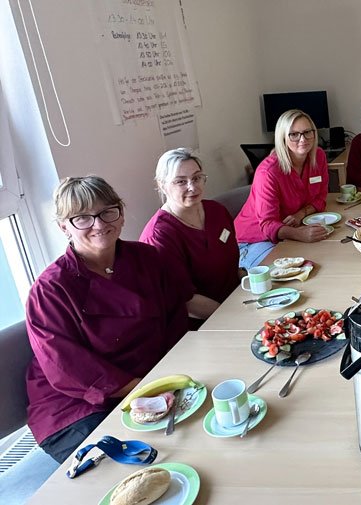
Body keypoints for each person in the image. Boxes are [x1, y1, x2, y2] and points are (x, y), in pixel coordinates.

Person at [25, 176, 191, 464]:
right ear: (64, 226)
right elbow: (67, 368)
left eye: (107, 212)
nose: (99, 224)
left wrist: (174, 374)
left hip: (152, 380)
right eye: (82, 218)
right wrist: (145, 389)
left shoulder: (148, 258)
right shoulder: (50, 290)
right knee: (136, 464)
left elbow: (175, 318)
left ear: (121, 213)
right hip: (76, 406)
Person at [140, 148, 240, 329]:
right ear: (162, 185)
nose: (193, 187)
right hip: (201, 325)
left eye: (197, 178)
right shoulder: (160, 236)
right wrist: (233, 317)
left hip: (236, 302)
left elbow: (231, 268)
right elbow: (187, 302)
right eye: (180, 181)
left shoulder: (216, 211)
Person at [234, 109, 329, 269]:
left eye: (307, 132)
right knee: (296, 271)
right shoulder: (268, 172)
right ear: (282, 138)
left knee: (324, 258)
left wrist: (301, 214)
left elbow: (321, 197)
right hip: (254, 240)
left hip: (291, 231)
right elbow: (268, 224)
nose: (302, 139)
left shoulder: (318, 157)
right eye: (294, 134)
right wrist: (299, 234)